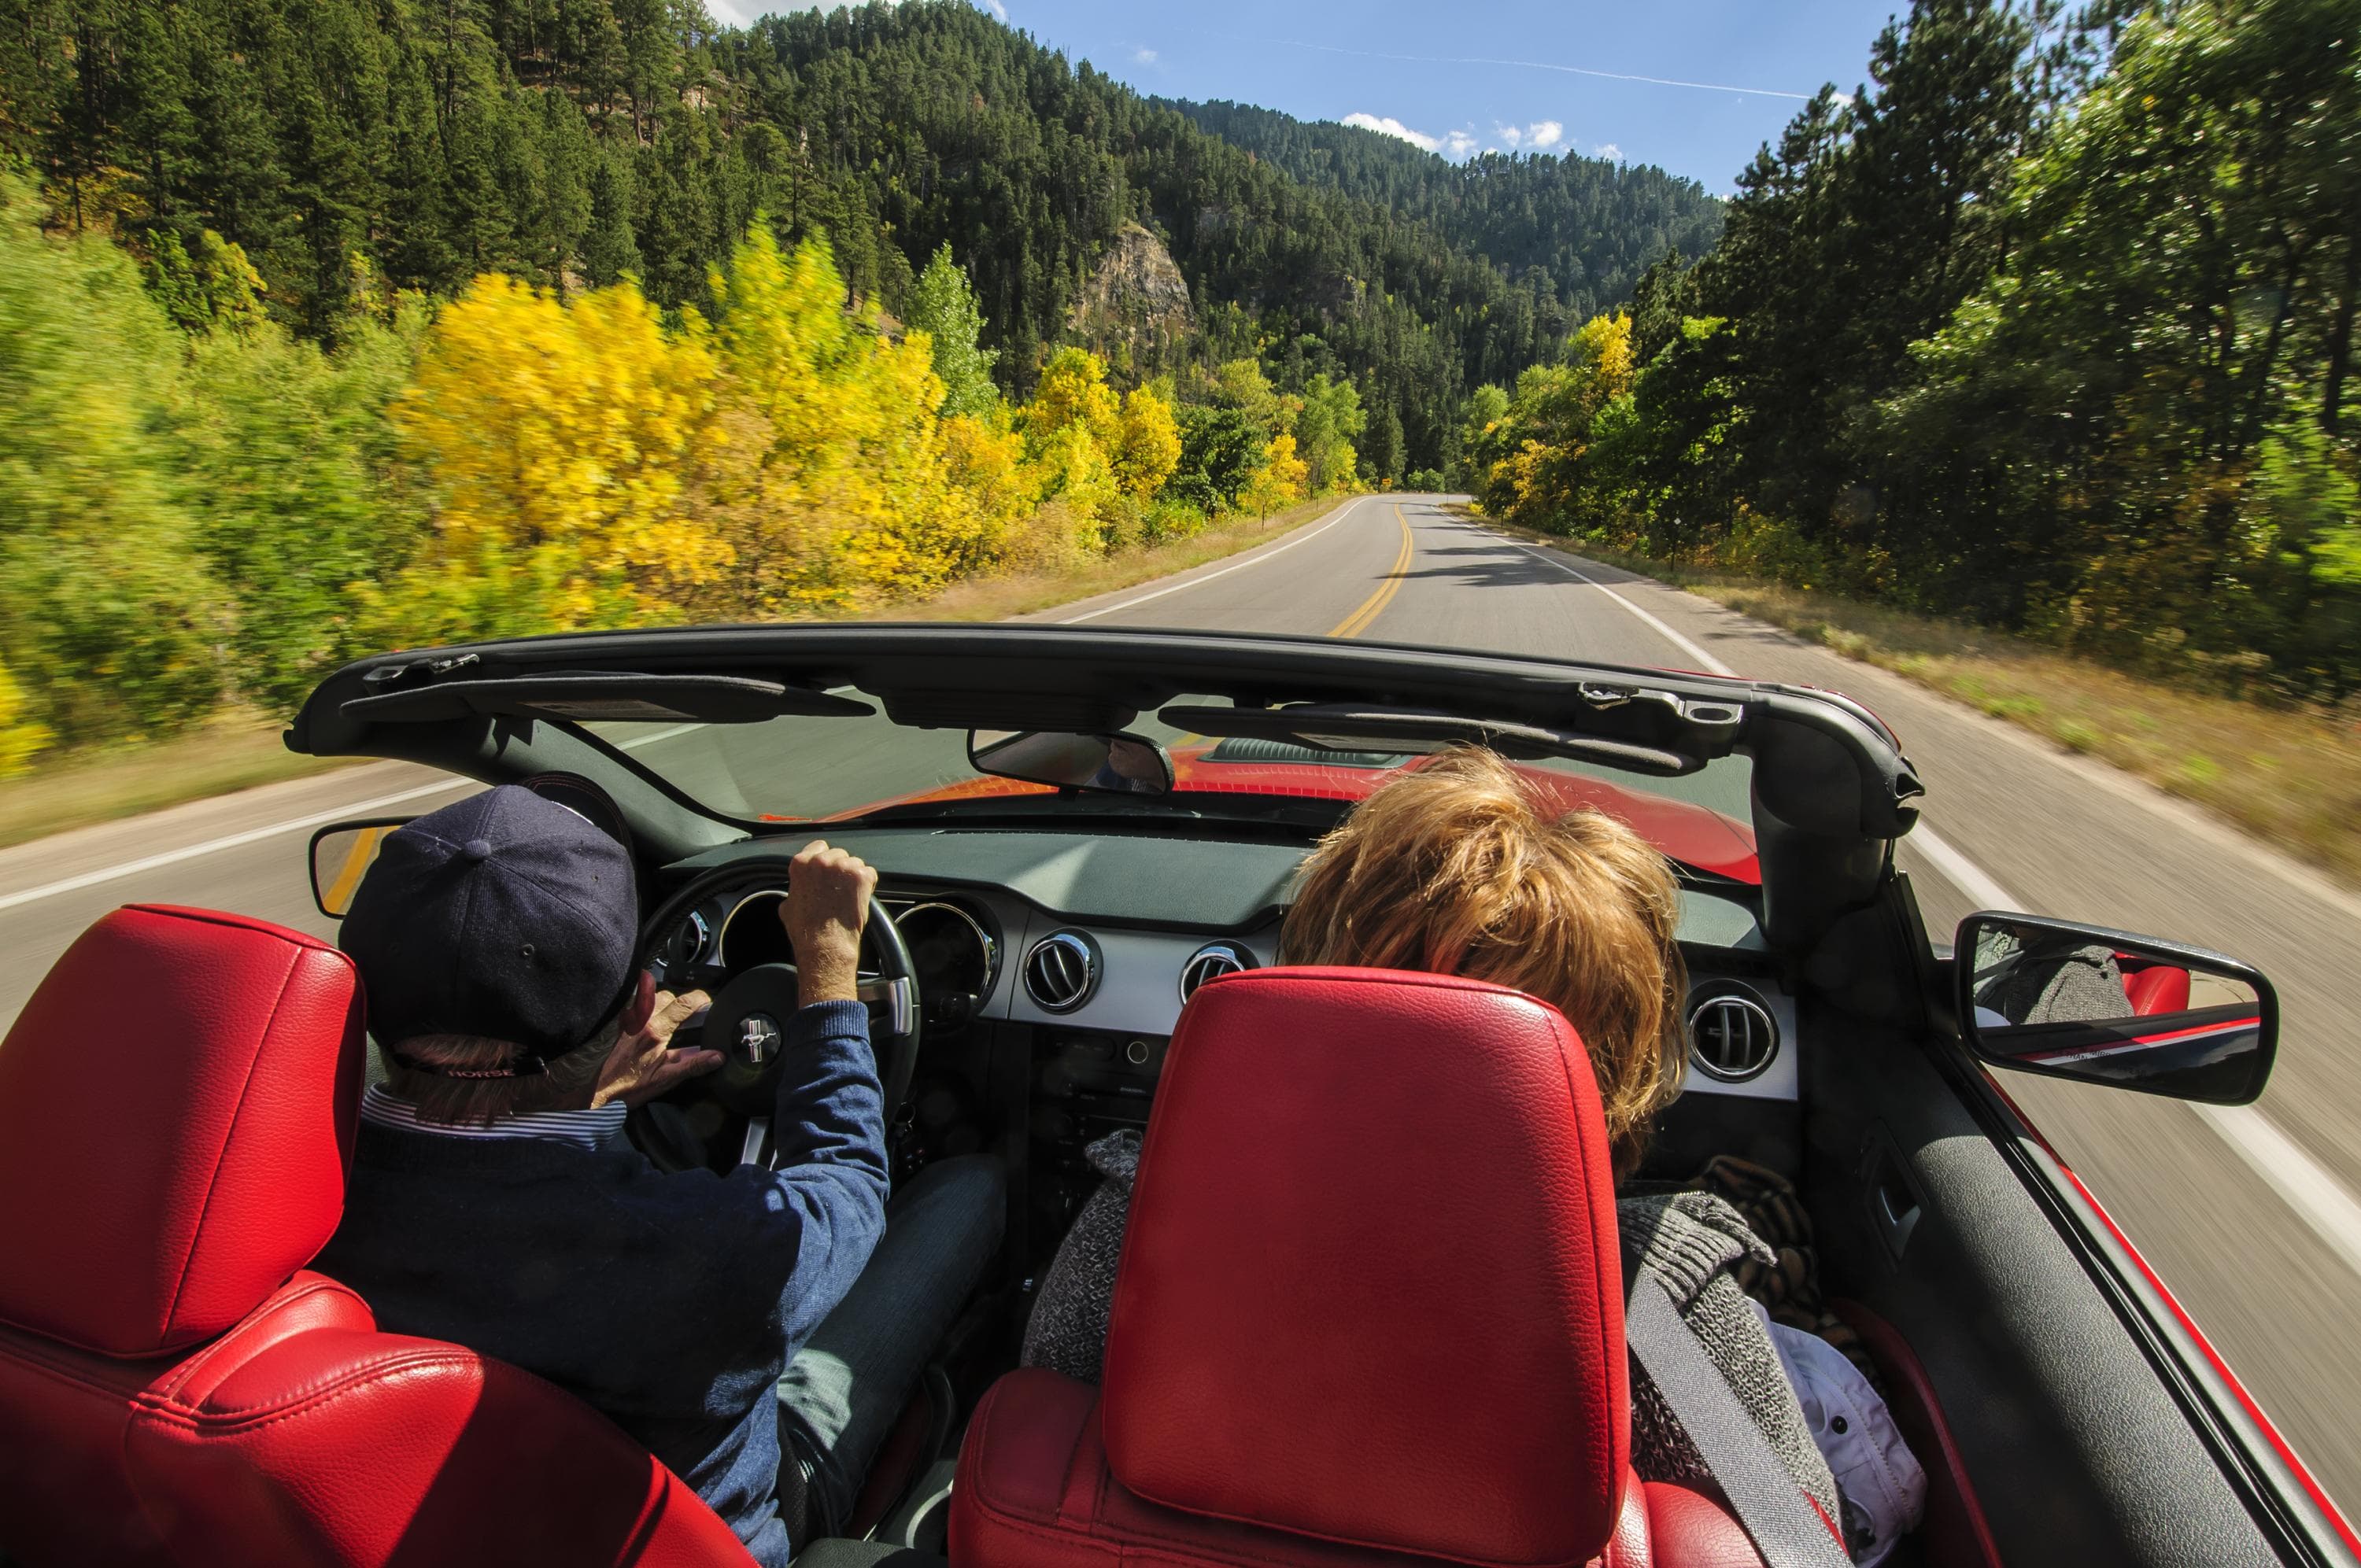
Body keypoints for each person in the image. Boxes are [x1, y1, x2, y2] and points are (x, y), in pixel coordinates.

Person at [1021, 746, 1875, 1540]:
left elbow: (1047, 1414)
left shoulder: (1144, 1225)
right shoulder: (1648, 1296)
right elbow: (1798, 1540)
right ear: (1614, 1086)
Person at [315, 785, 1003, 1565]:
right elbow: (845, 1186)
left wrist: (594, 1096)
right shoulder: (702, 1250)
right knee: (968, 1189)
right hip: (712, 1528)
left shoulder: (302, 1190)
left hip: (457, 1515)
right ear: (645, 1001)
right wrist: (830, 969)